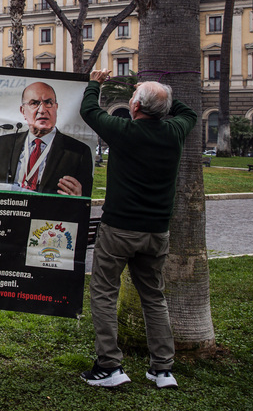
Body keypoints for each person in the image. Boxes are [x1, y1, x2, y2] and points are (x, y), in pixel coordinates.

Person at [79, 70, 197, 389]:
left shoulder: (124, 131)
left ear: (135, 107)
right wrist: (158, 97)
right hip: (156, 232)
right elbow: (188, 112)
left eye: (134, 97)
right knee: (153, 297)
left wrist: (95, 83)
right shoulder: (174, 131)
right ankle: (162, 370)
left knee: (104, 292)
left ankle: (109, 366)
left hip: (119, 229)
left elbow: (88, 110)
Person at [0, 81, 93, 197]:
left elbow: (85, 199)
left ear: (56, 108)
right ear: (23, 111)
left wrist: (79, 197)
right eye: (34, 103)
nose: (42, 110)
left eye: (48, 103)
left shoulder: (78, 152)